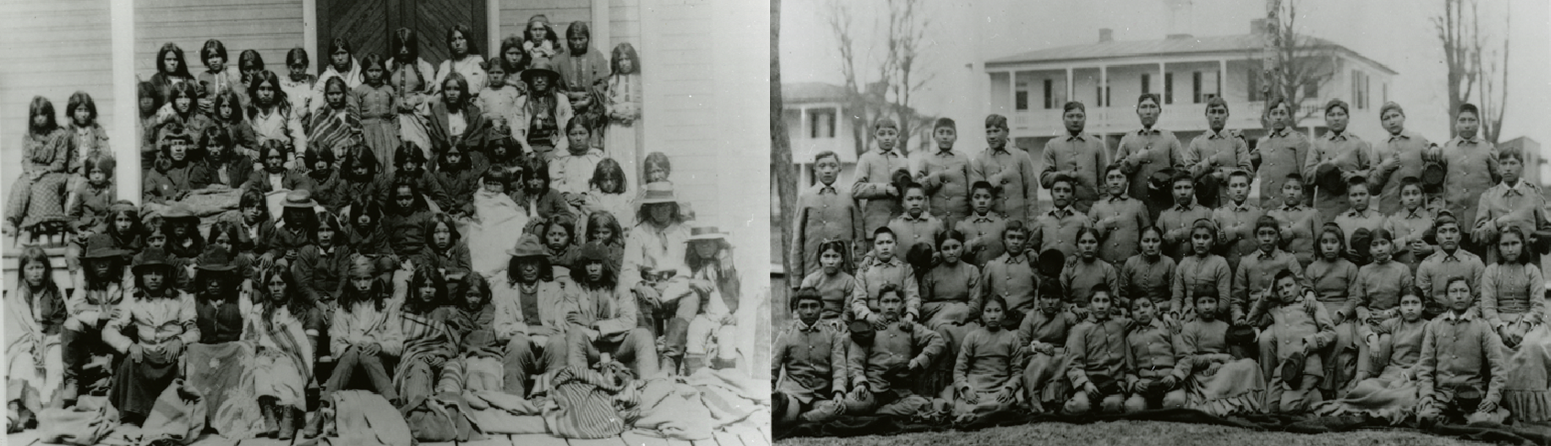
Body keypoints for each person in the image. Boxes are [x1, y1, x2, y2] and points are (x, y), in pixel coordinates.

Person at [104, 248, 199, 426]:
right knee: (130, 362)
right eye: (148, 273)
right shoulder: (132, 299)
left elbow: (194, 332)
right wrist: (129, 345)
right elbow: (108, 331)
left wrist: (180, 340)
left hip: (172, 358)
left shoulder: (181, 298)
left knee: (186, 362)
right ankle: (133, 416)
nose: (154, 277)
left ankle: (173, 414)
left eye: (159, 273)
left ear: (167, 275)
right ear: (141, 276)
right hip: (145, 358)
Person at [1311, 293, 1426, 424]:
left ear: (1423, 307)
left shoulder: (1429, 327)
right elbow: (1365, 328)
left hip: (1412, 378)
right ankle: (1377, 410)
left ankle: (1372, 411)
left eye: (1414, 303)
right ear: (1399, 308)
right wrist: (1372, 337)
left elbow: (1427, 360)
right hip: (1389, 375)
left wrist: (1404, 378)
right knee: (1363, 388)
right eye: (1405, 304)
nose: (1410, 308)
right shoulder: (1393, 324)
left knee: (1409, 396)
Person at [1479, 227, 1551, 422]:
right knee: (1495, 345)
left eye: (1514, 243)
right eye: (1505, 244)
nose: (1510, 249)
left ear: (1522, 245)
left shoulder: (1532, 270)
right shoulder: (1491, 272)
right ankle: (1501, 404)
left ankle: (1532, 411)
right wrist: (1501, 329)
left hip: (1529, 323)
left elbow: (1537, 306)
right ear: (1498, 248)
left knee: (1532, 346)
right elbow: (1488, 307)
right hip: (1498, 324)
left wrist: (1523, 327)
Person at [841, 285, 946, 417]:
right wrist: (859, 383)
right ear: (878, 304)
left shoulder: (909, 327)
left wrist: (921, 360)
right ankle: (879, 411)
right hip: (873, 390)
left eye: (895, 301)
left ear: (902, 305)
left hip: (900, 394)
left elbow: (937, 341)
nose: (890, 306)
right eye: (886, 302)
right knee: (845, 405)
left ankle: (880, 413)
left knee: (921, 404)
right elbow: (855, 361)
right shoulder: (867, 329)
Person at [1417, 277, 1509, 425]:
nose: (1459, 296)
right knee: (1426, 418)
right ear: (1446, 297)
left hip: (1472, 396)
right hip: (1442, 395)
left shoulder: (1482, 326)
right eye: (1453, 292)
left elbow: (1498, 367)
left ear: (1471, 297)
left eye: (1463, 291)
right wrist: (1426, 395)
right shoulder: (1435, 325)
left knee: (1482, 422)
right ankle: (1451, 416)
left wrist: (1492, 397)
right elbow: (1425, 366)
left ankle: (1481, 416)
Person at [492, 234, 573, 397]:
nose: (529, 268)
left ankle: (554, 398)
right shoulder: (506, 292)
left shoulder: (553, 290)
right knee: (517, 342)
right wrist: (530, 330)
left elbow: (560, 328)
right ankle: (513, 400)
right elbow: (500, 331)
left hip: (547, 353)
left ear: (541, 265)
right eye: (524, 263)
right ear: (516, 266)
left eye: (533, 263)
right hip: (522, 354)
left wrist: (541, 334)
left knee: (558, 342)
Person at [1245, 269, 1336, 414]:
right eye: (1280, 289)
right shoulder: (1276, 310)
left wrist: (1312, 342)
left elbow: (1330, 332)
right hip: (1284, 370)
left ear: (1299, 286)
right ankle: (1301, 396)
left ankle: (1316, 397)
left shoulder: (1312, 305)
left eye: (1289, 285)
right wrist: (1265, 298)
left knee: (1287, 408)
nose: (1285, 291)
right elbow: (1250, 323)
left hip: (1307, 368)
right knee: (1270, 408)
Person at [566, 242, 660, 377]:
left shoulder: (619, 282)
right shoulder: (574, 282)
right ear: (582, 265)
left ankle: (651, 385)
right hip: (591, 347)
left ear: (605, 264)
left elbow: (629, 321)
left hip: (619, 346)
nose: (593, 268)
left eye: (598, 263)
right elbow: (570, 321)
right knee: (574, 333)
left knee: (643, 334)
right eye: (588, 263)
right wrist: (602, 332)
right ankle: (580, 386)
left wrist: (593, 324)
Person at [621, 182, 692, 361]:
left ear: (672, 207)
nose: (660, 210)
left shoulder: (683, 230)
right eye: (655, 206)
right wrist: (639, 286)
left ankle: (672, 353)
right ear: (648, 208)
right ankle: (649, 354)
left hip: (679, 284)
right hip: (651, 284)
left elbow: (705, 249)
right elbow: (629, 268)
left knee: (690, 299)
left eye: (665, 205)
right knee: (639, 302)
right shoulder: (639, 233)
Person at [247, 267, 319, 439]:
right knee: (260, 368)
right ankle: (268, 412)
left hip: (291, 357)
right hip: (264, 355)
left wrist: (280, 353)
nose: (276, 288)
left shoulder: (299, 312)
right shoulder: (259, 311)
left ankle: (289, 414)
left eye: (281, 283)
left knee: (282, 367)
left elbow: (302, 345)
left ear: (288, 286)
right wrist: (262, 349)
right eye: (272, 284)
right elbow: (250, 338)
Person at [325, 255, 405, 403]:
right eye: (357, 280)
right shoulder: (343, 307)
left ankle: (324, 404)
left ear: (374, 279)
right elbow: (336, 347)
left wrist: (379, 346)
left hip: (379, 369)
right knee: (357, 351)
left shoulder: (388, 305)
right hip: (351, 371)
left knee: (366, 354)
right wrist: (353, 348)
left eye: (367, 279)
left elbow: (397, 345)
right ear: (351, 281)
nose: (362, 285)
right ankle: (393, 400)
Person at [61, 235, 128, 404]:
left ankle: (118, 380)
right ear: (89, 262)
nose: (102, 264)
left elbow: (130, 306)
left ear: (114, 260)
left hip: (118, 325)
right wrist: (99, 313)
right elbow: (74, 307)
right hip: (93, 326)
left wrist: (110, 320)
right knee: (70, 324)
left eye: (106, 259)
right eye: (96, 260)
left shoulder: (125, 273)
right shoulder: (83, 275)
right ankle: (72, 381)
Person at [1176, 292, 1266, 416]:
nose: (1207, 306)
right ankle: (1214, 404)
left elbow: (1230, 355)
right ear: (1195, 307)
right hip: (1202, 375)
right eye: (1202, 302)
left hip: (1222, 370)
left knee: (1250, 364)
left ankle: (1246, 403)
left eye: (1211, 302)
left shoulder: (1225, 326)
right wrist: (1214, 358)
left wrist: (1227, 362)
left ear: (1218, 304)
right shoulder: (1190, 328)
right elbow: (1189, 359)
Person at [7, 246, 68, 419]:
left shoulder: (54, 291)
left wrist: (45, 341)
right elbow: (13, 326)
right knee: (22, 362)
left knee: (55, 362)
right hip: (24, 341)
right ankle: (17, 411)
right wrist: (32, 343)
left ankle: (51, 412)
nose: (35, 273)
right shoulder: (16, 294)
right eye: (30, 268)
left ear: (46, 269)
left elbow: (59, 320)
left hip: (51, 339)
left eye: (39, 267)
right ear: (23, 271)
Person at [919, 230, 981, 394]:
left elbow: (975, 306)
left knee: (972, 335)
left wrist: (955, 311)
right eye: (946, 248)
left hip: (966, 321)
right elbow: (923, 306)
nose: (951, 252)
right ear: (940, 250)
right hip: (937, 320)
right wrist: (945, 308)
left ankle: (967, 384)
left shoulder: (971, 270)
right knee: (941, 332)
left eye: (955, 247)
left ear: (962, 247)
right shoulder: (931, 272)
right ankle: (940, 387)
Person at [773, 288, 846, 424]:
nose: (809, 311)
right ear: (797, 309)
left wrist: (838, 392)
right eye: (803, 306)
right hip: (794, 394)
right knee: (786, 416)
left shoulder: (832, 334)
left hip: (820, 396)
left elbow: (839, 367)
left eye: (814, 306)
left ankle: (803, 419)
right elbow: (773, 367)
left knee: (837, 409)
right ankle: (798, 416)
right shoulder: (786, 334)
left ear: (821, 307)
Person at [1305, 223, 1363, 396]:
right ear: (1319, 245)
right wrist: (1308, 293)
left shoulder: (1349, 267)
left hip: (1342, 313)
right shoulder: (1313, 267)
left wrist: (1342, 313)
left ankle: (1333, 385)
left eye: (1333, 241)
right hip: (1318, 311)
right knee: (1310, 334)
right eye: (1324, 242)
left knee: (1342, 337)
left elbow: (1354, 297)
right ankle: (1314, 382)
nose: (1329, 246)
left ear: (1341, 245)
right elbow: (1308, 290)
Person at [1438, 103, 1501, 255]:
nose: (1467, 125)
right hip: (1454, 218)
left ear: (1478, 123)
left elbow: (1499, 180)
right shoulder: (1446, 149)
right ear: (1456, 123)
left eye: (1471, 120)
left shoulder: (1488, 148)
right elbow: (1437, 185)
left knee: (1480, 261)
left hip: (1480, 219)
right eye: (1462, 120)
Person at [392, 266, 458, 411]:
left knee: (452, 370)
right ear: (416, 288)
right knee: (420, 368)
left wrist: (441, 356)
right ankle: (419, 409)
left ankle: (447, 410)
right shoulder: (406, 312)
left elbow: (453, 345)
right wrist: (421, 357)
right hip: (412, 362)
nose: (428, 291)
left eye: (432, 286)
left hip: (438, 361)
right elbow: (403, 343)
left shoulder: (445, 313)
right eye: (423, 286)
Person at [1472, 145, 1551, 265]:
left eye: (1513, 163)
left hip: (1529, 266)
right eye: (1503, 164)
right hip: (1498, 267)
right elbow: (1476, 236)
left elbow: (1546, 230)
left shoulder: (1534, 194)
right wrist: (1496, 224)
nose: (1508, 168)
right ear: (1498, 167)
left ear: (1522, 167)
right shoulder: (1488, 196)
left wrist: (1539, 240)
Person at [791, 151, 862, 279]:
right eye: (822, 166)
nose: (827, 170)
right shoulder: (806, 197)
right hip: (812, 271)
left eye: (832, 166)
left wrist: (859, 271)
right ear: (815, 170)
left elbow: (859, 239)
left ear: (840, 168)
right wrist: (796, 277)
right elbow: (797, 240)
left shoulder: (850, 197)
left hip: (843, 272)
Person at [681, 225, 743, 373]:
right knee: (694, 330)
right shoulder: (692, 264)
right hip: (706, 315)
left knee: (727, 338)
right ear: (693, 246)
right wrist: (692, 282)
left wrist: (737, 316)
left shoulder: (731, 261)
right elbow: (676, 283)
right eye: (699, 243)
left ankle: (726, 378)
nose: (704, 247)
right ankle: (697, 377)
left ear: (718, 243)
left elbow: (750, 294)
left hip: (728, 316)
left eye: (709, 242)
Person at [6, 97, 71, 236]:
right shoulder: (28, 136)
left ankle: (35, 226)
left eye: (43, 114)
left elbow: (61, 161)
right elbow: (26, 159)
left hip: (53, 172)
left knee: (39, 186)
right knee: (21, 184)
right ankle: (11, 222)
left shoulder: (60, 134)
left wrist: (43, 171)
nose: (40, 118)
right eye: (36, 115)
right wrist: (30, 172)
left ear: (50, 115)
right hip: (33, 171)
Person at [1062, 285, 1129, 414]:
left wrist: (1165, 315)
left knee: (1112, 406)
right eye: (1096, 301)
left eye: (1105, 301)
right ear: (1088, 305)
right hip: (1089, 383)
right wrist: (1086, 384)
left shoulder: (1120, 324)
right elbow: (1074, 364)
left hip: (1113, 384)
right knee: (1080, 406)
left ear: (1112, 305)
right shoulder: (1081, 329)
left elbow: (1142, 320)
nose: (1101, 306)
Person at [1114, 93, 1184, 219]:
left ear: (1159, 111)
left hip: (1163, 204)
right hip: (1135, 205)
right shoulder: (1128, 139)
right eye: (1144, 107)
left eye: (1152, 107)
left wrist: (1164, 182)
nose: (1148, 111)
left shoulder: (1170, 138)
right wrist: (1136, 159)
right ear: (1137, 111)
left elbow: (1180, 170)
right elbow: (1117, 172)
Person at [950, 295, 1019, 421]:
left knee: (1004, 405)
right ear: (981, 315)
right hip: (976, 388)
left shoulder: (1012, 338)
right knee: (964, 407)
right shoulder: (972, 337)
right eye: (988, 311)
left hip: (999, 388)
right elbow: (959, 369)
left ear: (1004, 314)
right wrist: (965, 389)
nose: (993, 316)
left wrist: (1008, 388)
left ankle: (982, 413)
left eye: (997, 311)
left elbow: (1017, 372)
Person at [1304, 99, 1374, 222]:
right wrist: (1323, 167)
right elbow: (1307, 176)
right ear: (1326, 119)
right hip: (1325, 208)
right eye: (1331, 115)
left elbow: (1372, 173)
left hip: (1353, 207)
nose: (1336, 118)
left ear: (1348, 118)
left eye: (1340, 114)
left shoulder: (1358, 144)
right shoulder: (1317, 144)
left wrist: (1353, 176)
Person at [1016, 281, 1079, 413]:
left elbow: (1077, 334)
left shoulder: (1066, 317)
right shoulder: (1031, 317)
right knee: (1042, 361)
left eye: (1055, 297)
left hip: (1059, 357)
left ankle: (1056, 400)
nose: (1050, 302)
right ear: (1039, 300)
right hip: (1035, 358)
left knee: (1066, 360)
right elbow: (1020, 348)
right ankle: (1033, 398)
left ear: (1061, 300)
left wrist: (1069, 344)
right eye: (1046, 297)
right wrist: (1038, 347)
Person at [1232, 216, 1305, 326]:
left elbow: (1301, 286)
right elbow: (1237, 298)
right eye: (1262, 234)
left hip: (1283, 315)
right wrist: (1238, 317)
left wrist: (1309, 294)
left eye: (1271, 233)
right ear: (1255, 237)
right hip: (1255, 317)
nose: (1266, 238)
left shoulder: (1288, 259)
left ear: (1278, 236)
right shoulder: (1246, 262)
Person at [1181, 97, 1252, 209]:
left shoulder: (1237, 141)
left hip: (1233, 205)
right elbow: (1187, 175)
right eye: (1212, 112)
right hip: (1205, 204)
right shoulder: (1197, 142)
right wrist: (1208, 163)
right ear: (1206, 115)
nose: (1217, 116)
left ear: (1227, 115)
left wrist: (1221, 175)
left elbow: (1248, 173)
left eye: (1221, 112)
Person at [1041, 102, 1109, 213]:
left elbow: (1103, 182)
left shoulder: (1097, 144)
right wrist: (1066, 174)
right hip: (1063, 211)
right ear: (1063, 118)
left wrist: (1103, 208)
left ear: (1085, 118)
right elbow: (1045, 179)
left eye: (1079, 116)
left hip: (1092, 210)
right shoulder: (1052, 145)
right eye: (1070, 116)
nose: (1075, 120)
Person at [1415, 212, 1485, 319]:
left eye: (1453, 231)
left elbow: (1482, 298)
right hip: (1437, 319)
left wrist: (1466, 316)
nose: (1448, 236)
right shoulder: (1427, 265)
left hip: (1469, 319)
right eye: (1443, 232)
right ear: (1436, 238)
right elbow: (1424, 300)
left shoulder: (1474, 262)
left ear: (1460, 236)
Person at [1122, 298, 1187, 412]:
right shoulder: (1130, 337)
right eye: (1136, 309)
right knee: (1133, 407)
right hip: (1145, 385)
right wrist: (1135, 383)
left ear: (1154, 309)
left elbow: (1185, 357)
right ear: (1131, 315)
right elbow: (1129, 370)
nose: (1142, 311)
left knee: (1175, 402)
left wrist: (1174, 376)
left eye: (1146, 306)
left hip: (1170, 382)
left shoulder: (1167, 327)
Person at [1371, 102, 1434, 215]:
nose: (1392, 121)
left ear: (1403, 117)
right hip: (1389, 210)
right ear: (1382, 124)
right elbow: (1372, 187)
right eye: (1387, 118)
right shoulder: (1379, 148)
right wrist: (1383, 167)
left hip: (1417, 210)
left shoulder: (1418, 140)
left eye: (1395, 116)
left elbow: (1433, 169)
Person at [853, 118, 909, 243]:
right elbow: (856, 189)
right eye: (882, 134)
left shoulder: (904, 161)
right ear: (875, 136)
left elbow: (910, 192)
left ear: (898, 135)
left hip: (898, 229)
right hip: (874, 229)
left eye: (891, 133)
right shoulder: (867, 159)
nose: (887, 138)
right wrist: (884, 189)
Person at [852, 227, 920, 325]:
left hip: (900, 319)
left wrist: (909, 316)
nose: (885, 247)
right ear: (873, 247)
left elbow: (912, 297)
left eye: (889, 242)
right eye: (880, 243)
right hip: (872, 319)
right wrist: (870, 317)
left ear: (896, 245)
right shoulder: (864, 270)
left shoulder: (905, 269)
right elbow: (858, 301)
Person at [67, 157, 118, 286]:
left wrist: (94, 231)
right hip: (82, 237)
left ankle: (98, 288)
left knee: (99, 258)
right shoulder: (82, 189)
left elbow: (112, 218)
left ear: (107, 173)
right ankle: (78, 287)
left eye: (100, 172)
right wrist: (79, 229)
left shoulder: (112, 190)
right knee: (72, 254)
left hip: (102, 236)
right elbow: (71, 217)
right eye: (93, 172)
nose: (96, 176)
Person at [1254, 97, 1312, 210]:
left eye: (1282, 113)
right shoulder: (1262, 142)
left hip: (1291, 208)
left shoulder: (1299, 140)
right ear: (1268, 117)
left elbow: (1307, 178)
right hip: (1267, 208)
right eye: (1274, 113)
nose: (1278, 117)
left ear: (1289, 116)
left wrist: (1305, 208)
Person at [914, 117, 972, 226]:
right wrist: (933, 179)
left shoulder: (963, 159)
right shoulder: (926, 159)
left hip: (961, 220)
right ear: (934, 136)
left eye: (949, 133)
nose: (945, 136)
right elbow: (918, 189)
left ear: (955, 137)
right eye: (941, 132)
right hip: (935, 221)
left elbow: (971, 189)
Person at [390, 29, 437, 160]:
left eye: (407, 46)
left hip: (417, 115)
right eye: (400, 46)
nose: (404, 50)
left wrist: (416, 99)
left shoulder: (424, 67)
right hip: (394, 117)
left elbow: (432, 94)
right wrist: (395, 102)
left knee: (419, 151)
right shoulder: (388, 66)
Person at [1090, 164, 1151, 265]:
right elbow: (1088, 236)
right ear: (1105, 183)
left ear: (1127, 181)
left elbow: (1148, 234)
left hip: (1132, 265)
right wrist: (1103, 225)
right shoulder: (1097, 206)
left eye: (1119, 177)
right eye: (1111, 178)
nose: (1115, 182)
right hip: (1103, 265)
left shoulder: (1137, 205)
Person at [293, 213, 354, 314]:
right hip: (313, 301)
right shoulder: (308, 251)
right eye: (321, 230)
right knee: (314, 318)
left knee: (335, 318)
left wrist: (337, 300)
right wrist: (317, 302)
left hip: (336, 300)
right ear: (314, 232)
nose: (325, 235)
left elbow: (344, 278)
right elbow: (303, 283)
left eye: (329, 230)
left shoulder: (342, 250)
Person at [555, 21, 609, 133]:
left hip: (591, 107)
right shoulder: (558, 61)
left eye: (581, 38)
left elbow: (603, 82)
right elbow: (555, 86)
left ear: (587, 39)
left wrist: (588, 101)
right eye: (573, 39)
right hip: (567, 106)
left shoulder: (597, 57)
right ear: (568, 40)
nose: (577, 43)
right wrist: (570, 95)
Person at [1172, 219, 1231, 321]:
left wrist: (1202, 316)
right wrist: (1175, 314)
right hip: (1186, 316)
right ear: (1191, 240)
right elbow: (1177, 296)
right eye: (1196, 237)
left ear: (1213, 242)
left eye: (1206, 237)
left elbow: (1224, 300)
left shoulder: (1220, 263)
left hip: (1212, 317)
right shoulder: (1184, 263)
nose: (1200, 242)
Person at [353, 54, 401, 178]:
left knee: (390, 164)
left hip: (388, 133)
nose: (374, 74)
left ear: (383, 72)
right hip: (368, 133)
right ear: (364, 72)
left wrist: (396, 135)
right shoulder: (359, 91)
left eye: (378, 70)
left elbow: (394, 116)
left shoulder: (389, 90)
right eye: (371, 70)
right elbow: (355, 117)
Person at [514, 60, 572, 161]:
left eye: (543, 76)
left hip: (555, 149)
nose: (539, 80)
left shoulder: (561, 100)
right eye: (535, 76)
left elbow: (569, 129)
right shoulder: (522, 101)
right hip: (530, 148)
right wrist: (527, 150)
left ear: (550, 79)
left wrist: (556, 151)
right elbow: (516, 130)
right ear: (530, 80)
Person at [426, 72, 490, 163]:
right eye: (448, 89)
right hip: (445, 154)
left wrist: (461, 149)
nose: (452, 93)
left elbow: (476, 137)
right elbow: (437, 139)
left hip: (469, 153)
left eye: (456, 89)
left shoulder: (473, 112)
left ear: (463, 90)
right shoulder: (437, 112)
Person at [979, 222, 1037, 315]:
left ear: (1026, 241)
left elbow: (1038, 299)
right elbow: (984, 296)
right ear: (1004, 240)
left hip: (1024, 319)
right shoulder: (992, 265)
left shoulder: (1032, 267)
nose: (1015, 242)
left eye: (1020, 238)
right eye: (1011, 237)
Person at [605, 43, 643, 183]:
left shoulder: (641, 80)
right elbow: (607, 106)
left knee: (635, 159)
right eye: (620, 60)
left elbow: (647, 103)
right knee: (619, 157)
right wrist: (617, 116)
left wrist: (636, 113)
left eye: (627, 59)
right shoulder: (612, 81)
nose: (624, 63)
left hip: (636, 126)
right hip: (617, 127)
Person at [142, 127, 211, 205]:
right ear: (168, 148)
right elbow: (147, 199)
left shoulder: (195, 169)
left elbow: (205, 197)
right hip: (165, 213)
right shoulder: (157, 171)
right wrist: (170, 200)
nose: (178, 149)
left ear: (188, 147)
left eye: (182, 144)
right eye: (174, 145)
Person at [1062, 228, 1121, 318]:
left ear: (1098, 246)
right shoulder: (1069, 268)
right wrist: (1073, 308)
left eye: (1092, 242)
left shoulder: (1107, 269)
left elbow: (1115, 304)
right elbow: (1061, 300)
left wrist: (1096, 312)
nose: (1087, 246)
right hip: (1076, 317)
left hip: (1101, 317)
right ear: (1077, 246)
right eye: (1083, 242)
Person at [1331, 177, 1390, 266]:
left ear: (1369, 195)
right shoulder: (1340, 220)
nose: (1358, 198)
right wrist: (1344, 253)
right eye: (1354, 195)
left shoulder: (1380, 219)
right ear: (1348, 197)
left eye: (1362, 194)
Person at [1213, 170, 1264, 271]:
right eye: (1234, 186)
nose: (1239, 190)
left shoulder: (1258, 213)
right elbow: (1214, 244)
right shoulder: (1219, 213)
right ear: (1227, 190)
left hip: (1253, 267)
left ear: (1249, 189)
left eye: (1242, 185)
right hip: (1228, 267)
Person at [1120, 225, 1176, 314]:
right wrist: (1134, 305)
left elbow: (1176, 297)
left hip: (1160, 312)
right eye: (1146, 241)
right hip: (1135, 312)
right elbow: (1121, 295)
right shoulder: (1131, 263)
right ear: (1140, 244)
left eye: (1155, 241)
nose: (1150, 245)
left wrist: (1160, 306)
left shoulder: (1169, 263)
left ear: (1161, 243)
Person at [1156, 171, 1213, 260]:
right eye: (1178, 188)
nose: (1183, 192)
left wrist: (1184, 233)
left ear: (1194, 190)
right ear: (1172, 191)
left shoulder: (1205, 212)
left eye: (1187, 187)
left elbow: (1214, 244)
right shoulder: (1164, 215)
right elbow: (1157, 245)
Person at [306, 77, 362, 165]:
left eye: (338, 93)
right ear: (325, 95)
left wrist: (347, 144)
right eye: (331, 94)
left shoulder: (352, 112)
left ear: (344, 94)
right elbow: (315, 140)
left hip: (351, 158)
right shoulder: (320, 114)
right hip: (326, 162)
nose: (335, 97)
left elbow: (359, 135)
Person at [798, 240, 857, 324]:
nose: (830, 262)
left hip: (839, 322)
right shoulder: (811, 280)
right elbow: (802, 305)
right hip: (814, 321)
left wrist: (841, 322)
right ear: (820, 258)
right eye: (826, 256)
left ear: (842, 259)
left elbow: (848, 310)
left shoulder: (848, 280)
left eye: (835, 257)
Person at [1267, 174, 1320, 266]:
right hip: (1282, 267)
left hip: (1306, 266)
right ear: (1281, 191)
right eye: (1287, 188)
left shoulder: (1312, 214)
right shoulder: (1273, 214)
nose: (1291, 192)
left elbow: (1319, 244)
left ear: (1303, 193)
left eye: (1296, 188)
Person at [249, 70, 305, 157]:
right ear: (255, 91)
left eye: (270, 89)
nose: (266, 93)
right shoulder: (250, 111)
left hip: (285, 155)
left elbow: (298, 135)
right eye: (262, 89)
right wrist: (249, 152)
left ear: (276, 90)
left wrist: (300, 155)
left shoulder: (285, 109)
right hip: (259, 157)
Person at [261, 190, 319, 270]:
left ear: (308, 212)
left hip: (306, 263)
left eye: (302, 211)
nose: (298, 214)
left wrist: (301, 254)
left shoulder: (312, 230)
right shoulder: (282, 230)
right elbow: (276, 247)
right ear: (288, 212)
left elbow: (315, 247)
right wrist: (274, 254)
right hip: (285, 261)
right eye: (294, 211)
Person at [1389, 177, 1436, 272]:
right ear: (1400, 197)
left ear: (1422, 195)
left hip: (1426, 272)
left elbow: (1444, 245)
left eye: (1415, 193)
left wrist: (1430, 249)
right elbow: (1385, 246)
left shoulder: (1431, 218)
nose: (1411, 198)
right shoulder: (1393, 220)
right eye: (1406, 194)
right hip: (1399, 272)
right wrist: (1408, 239)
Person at [550, 118, 605, 199]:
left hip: (593, 199)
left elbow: (604, 181)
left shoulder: (598, 156)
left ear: (589, 135)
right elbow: (555, 182)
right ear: (567, 136)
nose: (578, 138)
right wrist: (567, 194)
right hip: (566, 200)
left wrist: (587, 196)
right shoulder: (560, 157)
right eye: (573, 134)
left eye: (582, 133)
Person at [956, 181, 1007, 268]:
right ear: (970, 201)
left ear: (993, 201)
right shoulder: (962, 225)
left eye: (986, 197)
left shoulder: (1002, 224)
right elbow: (954, 253)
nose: (982, 201)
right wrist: (971, 246)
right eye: (977, 197)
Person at [432, 24, 488, 98]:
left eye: (461, 38)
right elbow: (438, 90)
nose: (457, 43)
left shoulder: (477, 62)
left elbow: (477, 89)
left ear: (468, 41)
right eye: (453, 40)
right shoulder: (445, 65)